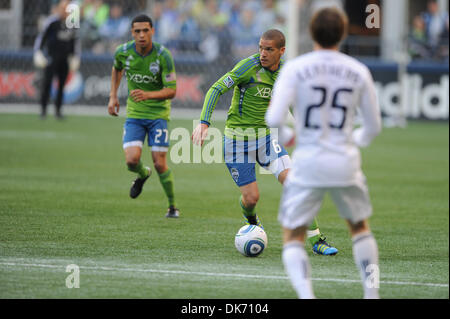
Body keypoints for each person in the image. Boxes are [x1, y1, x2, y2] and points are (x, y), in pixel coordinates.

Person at [266, 7, 382, 298]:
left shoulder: (294, 68)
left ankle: (307, 295)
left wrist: (290, 136)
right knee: (359, 229)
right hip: (345, 161)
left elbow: (273, 118)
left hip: (307, 162)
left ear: (310, 33)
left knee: (293, 235)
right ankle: (371, 293)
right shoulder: (358, 70)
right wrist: (352, 139)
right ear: (343, 34)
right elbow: (373, 127)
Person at [192, 29, 338, 256]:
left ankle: (317, 240)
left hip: (266, 140)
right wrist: (203, 122)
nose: (262, 53)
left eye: (268, 49)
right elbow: (216, 88)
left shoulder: (288, 73)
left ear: (282, 51)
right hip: (236, 142)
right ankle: (251, 219)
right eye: (260, 48)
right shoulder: (247, 67)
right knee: (251, 198)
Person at [107, 14, 180, 218]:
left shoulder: (163, 55)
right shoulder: (122, 52)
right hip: (135, 115)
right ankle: (142, 173)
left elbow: (172, 90)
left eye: (145, 30)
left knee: (159, 163)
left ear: (152, 31)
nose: (141, 35)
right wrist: (113, 96)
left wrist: (148, 94)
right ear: (132, 33)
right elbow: (116, 69)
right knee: (131, 161)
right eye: (137, 31)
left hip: (158, 116)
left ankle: (172, 207)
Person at [33, 0, 81, 119]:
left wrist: (75, 56)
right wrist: (38, 52)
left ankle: (58, 111)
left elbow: (75, 41)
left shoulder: (72, 23)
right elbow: (41, 38)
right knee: (47, 83)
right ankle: (43, 110)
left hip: (65, 59)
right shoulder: (52, 22)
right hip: (51, 57)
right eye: (63, 8)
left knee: (62, 85)